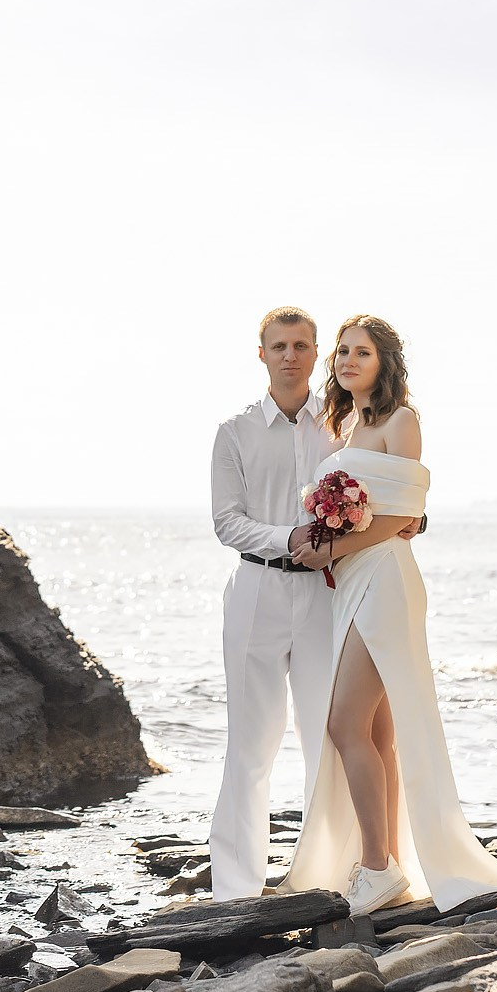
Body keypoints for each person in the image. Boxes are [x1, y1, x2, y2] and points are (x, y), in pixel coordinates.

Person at [280, 315, 497, 915]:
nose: (346, 360)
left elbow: (404, 519)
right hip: (352, 582)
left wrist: (332, 547)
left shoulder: (401, 421)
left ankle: (376, 868)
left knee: (344, 725)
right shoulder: (348, 427)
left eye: (360, 352)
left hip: (385, 578)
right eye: (341, 352)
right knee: (379, 733)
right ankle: (386, 863)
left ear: (384, 362)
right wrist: (317, 541)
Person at [205, 307, 349, 900]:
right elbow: (226, 522)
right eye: (279, 345)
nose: (290, 355)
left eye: (301, 345)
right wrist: (284, 538)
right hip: (257, 591)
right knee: (251, 743)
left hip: (325, 593)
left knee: (327, 735)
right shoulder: (234, 432)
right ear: (260, 353)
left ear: (316, 355)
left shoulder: (343, 427)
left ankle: (331, 874)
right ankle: (236, 887)